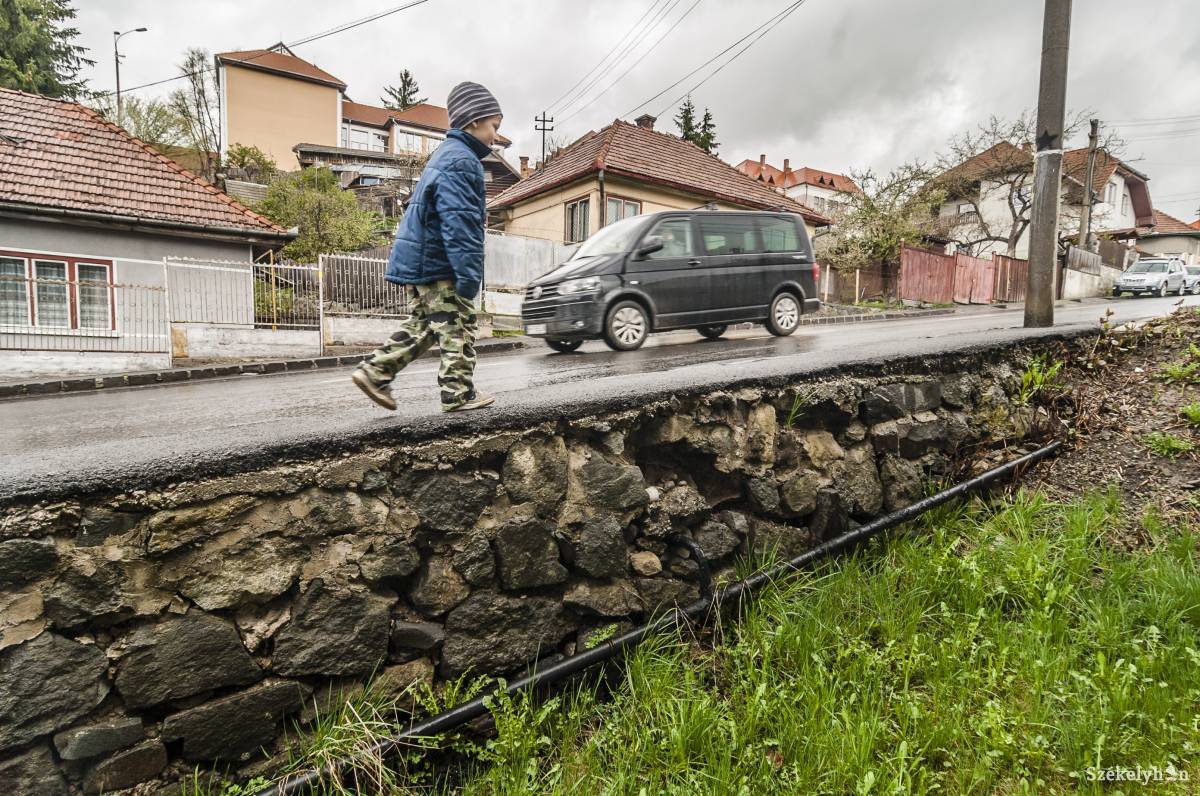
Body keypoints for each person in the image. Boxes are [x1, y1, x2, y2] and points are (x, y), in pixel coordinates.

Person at [352, 82, 502, 413]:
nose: (495, 137)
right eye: (494, 126)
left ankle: (375, 371)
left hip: (420, 261)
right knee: (459, 326)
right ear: (474, 121)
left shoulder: (445, 156)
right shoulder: (463, 160)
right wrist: (467, 274)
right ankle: (459, 393)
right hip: (440, 263)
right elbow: (459, 222)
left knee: (426, 326)